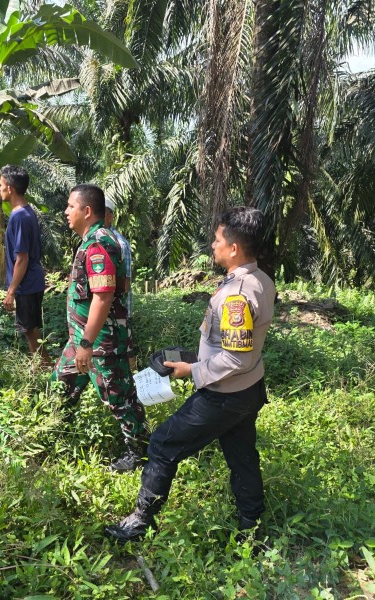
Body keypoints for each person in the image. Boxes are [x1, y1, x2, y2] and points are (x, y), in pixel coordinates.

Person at [104, 206, 276, 542]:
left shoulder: (236, 295)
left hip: (224, 395)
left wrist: (191, 369)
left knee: (162, 444)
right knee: (242, 457)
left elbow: (235, 358)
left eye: (217, 240)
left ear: (234, 248)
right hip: (248, 389)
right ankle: (251, 529)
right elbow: (236, 348)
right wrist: (193, 357)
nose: (213, 246)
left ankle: (139, 523)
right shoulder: (261, 279)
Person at [53, 184, 149, 472]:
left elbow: (104, 295)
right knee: (61, 387)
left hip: (100, 342)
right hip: (81, 340)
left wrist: (87, 344)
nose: (65, 212)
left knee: (120, 400)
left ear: (86, 211)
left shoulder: (99, 244)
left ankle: (141, 455)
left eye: (71, 206)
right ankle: (52, 436)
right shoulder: (90, 241)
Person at [0, 165, 47, 362]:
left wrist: (11, 291)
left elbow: (22, 258)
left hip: (27, 284)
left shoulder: (19, 216)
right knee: (31, 330)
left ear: (10, 188)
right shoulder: (26, 211)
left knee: (31, 332)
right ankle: (41, 369)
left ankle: (46, 370)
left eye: (1, 185)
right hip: (32, 281)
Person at [104, 198, 133, 318]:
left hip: (115, 318)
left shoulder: (118, 244)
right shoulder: (93, 240)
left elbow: (124, 286)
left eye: (100, 214)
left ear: (110, 217)